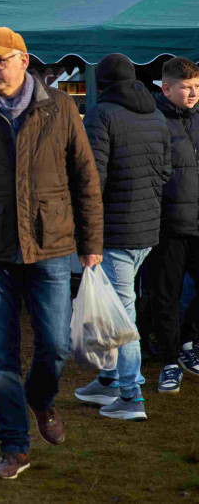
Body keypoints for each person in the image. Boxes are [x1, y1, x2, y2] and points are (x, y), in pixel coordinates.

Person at [0, 27, 103, 480]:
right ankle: (13, 446)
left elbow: (86, 179)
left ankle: (41, 399)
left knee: (56, 343)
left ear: (23, 61)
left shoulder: (61, 107)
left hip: (50, 246)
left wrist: (92, 244)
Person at [74, 54, 171, 421]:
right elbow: (165, 170)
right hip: (147, 229)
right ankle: (110, 378)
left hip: (116, 230)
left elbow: (92, 179)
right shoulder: (156, 114)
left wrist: (85, 229)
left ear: (102, 82)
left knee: (122, 313)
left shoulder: (102, 115)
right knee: (121, 304)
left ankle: (130, 396)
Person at [147, 58, 199, 394]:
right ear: (166, 88)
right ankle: (168, 361)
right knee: (165, 296)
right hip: (165, 225)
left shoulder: (198, 120)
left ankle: (187, 341)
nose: (193, 92)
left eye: (197, 86)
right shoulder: (152, 122)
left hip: (198, 223)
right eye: (186, 87)